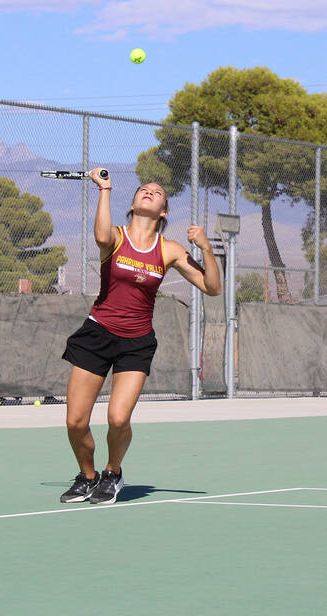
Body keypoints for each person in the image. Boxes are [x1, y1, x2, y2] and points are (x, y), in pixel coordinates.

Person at [59, 169, 221, 505]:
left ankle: (112, 473)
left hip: (137, 342)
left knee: (118, 418)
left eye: (157, 192)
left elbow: (212, 287)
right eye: (143, 190)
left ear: (163, 211)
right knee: (76, 422)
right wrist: (104, 189)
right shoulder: (117, 237)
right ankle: (87, 476)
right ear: (132, 204)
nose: (149, 192)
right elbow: (101, 237)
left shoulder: (170, 250)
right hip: (97, 334)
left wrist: (205, 247)